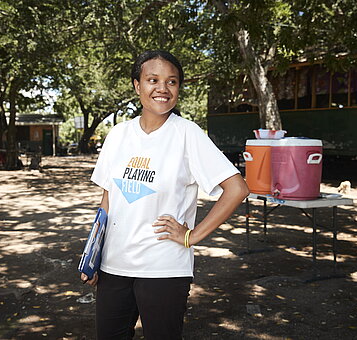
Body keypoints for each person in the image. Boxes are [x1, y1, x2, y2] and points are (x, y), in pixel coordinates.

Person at [81, 50, 249, 340]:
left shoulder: (187, 134)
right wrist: (92, 254)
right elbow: (109, 198)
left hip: (164, 269)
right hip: (113, 265)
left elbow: (237, 188)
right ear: (137, 85)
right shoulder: (119, 135)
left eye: (171, 82)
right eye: (153, 80)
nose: (162, 88)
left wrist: (191, 236)